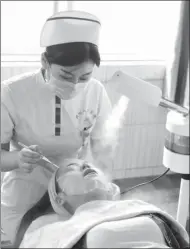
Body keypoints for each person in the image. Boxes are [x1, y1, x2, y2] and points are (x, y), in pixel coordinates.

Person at [1, 10, 115, 244]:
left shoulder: (96, 92)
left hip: (76, 194)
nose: (75, 85)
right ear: (44, 61)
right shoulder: (11, 93)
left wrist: (103, 189)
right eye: (65, 75)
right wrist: (17, 159)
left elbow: (103, 147)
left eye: (84, 77)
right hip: (26, 190)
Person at [16, 159, 189, 248]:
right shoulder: (58, 231)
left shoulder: (138, 208)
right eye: (71, 168)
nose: (84, 165)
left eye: (86, 164)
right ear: (60, 199)